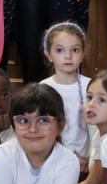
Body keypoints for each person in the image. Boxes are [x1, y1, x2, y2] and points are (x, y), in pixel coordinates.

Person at [39, 22, 91, 164]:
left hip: (85, 164)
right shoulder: (43, 88)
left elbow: (96, 131)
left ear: (83, 54)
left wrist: (88, 160)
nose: (68, 56)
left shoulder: (90, 87)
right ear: (48, 54)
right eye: (60, 50)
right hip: (52, 162)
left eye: (75, 50)